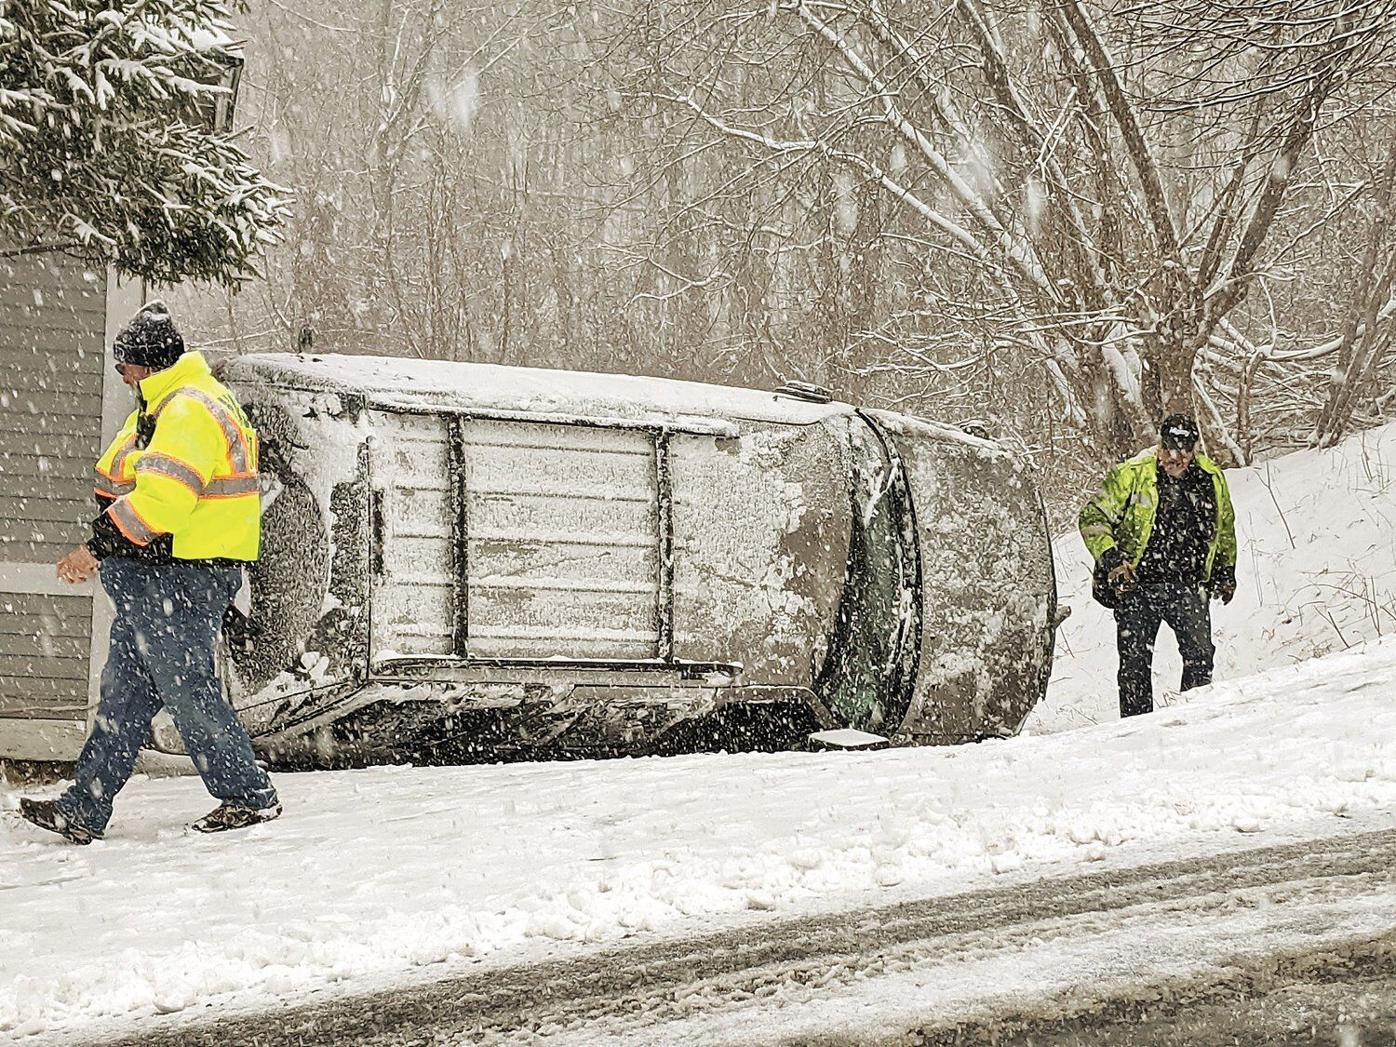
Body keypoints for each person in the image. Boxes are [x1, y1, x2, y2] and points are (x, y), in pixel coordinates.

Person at [19, 302, 280, 844]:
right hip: (158, 577)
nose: (121, 373)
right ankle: (83, 808)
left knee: (188, 692)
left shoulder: (187, 412)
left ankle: (247, 795)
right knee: (125, 694)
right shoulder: (165, 408)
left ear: (146, 365)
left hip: (179, 578)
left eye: (126, 364)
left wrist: (94, 548)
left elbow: (162, 502)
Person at [1079, 414, 1238, 718]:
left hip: (1189, 584)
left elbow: (1224, 526)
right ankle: (1137, 728)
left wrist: (1225, 571)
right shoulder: (1131, 474)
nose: (1174, 458)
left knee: (1201, 656)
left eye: (1183, 451)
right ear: (1160, 445)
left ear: (1194, 451)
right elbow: (1092, 518)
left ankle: (1193, 718)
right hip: (1137, 586)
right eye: (1168, 449)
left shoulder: (1211, 478)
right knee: (1134, 665)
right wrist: (1113, 561)